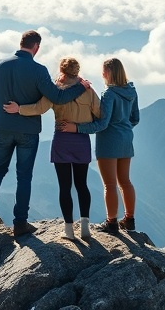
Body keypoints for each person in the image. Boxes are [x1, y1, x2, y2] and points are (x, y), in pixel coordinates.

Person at [0, 30, 89, 238]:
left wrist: (1, 116)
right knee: (24, 177)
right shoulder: (38, 70)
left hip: (3, 128)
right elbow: (57, 96)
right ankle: (20, 223)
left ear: (21, 43)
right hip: (28, 131)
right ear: (36, 47)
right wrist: (80, 88)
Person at [4, 57, 101, 241]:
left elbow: (38, 108)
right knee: (82, 184)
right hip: (81, 140)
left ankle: (69, 230)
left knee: (64, 187)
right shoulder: (89, 91)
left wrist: (18, 109)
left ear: (62, 71)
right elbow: (100, 114)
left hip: (62, 140)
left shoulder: (55, 90)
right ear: (77, 71)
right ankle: (86, 226)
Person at [60, 58, 139, 234]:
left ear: (109, 72)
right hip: (126, 140)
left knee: (110, 184)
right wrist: (123, 130)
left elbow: (102, 124)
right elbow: (135, 119)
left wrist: (77, 128)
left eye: (104, 71)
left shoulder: (109, 94)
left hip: (108, 143)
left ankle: (111, 223)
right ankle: (129, 219)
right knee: (125, 181)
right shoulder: (131, 92)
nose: (102, 74)